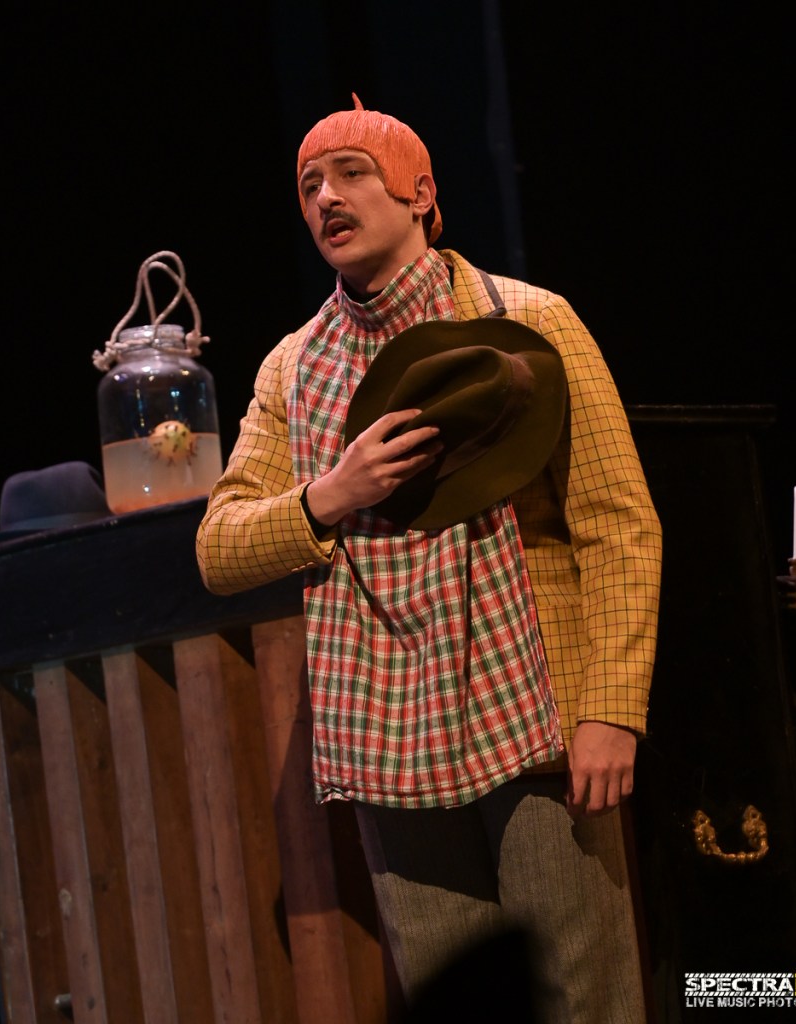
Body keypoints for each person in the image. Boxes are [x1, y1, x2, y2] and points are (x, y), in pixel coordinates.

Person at [196, 94, 662, 1024]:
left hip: (531, 710)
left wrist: (610, 708)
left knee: (581, 996)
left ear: (419, 192)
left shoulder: (527, 320)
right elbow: (219, 548)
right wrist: (332, 492)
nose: (326, 198)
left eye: (351, 174)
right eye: (308, 184)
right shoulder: (294, 367)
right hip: (387, 727)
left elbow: (617, 521)